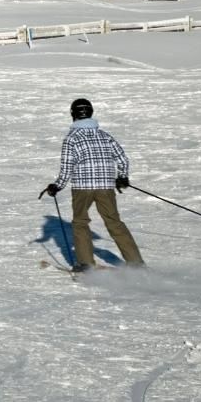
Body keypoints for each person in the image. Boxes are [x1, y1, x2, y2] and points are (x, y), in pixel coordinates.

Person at [42, 98, 144, 273]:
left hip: (83, 187)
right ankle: (135, 263)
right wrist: (122, 177)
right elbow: (122, 158)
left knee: (80, 222)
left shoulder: (71, 138)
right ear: (91, 113)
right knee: (114, 222)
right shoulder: (104, 135)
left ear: (73, 115)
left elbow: (67, 167)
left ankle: (86, 263)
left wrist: (57, 186)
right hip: (106, 187)